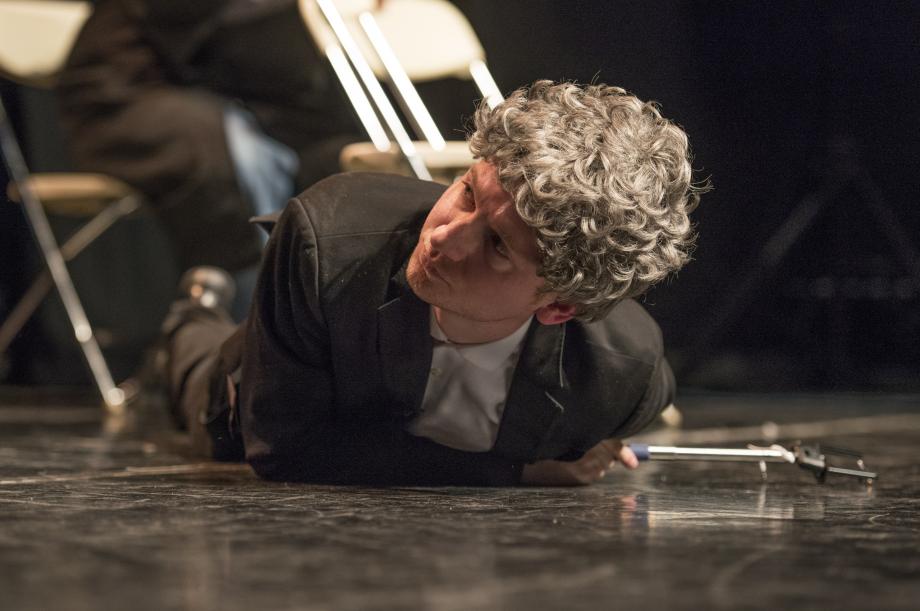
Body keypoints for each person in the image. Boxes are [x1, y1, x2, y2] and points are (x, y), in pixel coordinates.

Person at [165, 81, 704, 486]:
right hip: (248, 389)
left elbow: (626, 404)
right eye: (468, 192)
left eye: (496, 246)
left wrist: (584, 437)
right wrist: (521, 472)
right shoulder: (326, 242)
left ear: (560, 307)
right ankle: (193, 309)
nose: (445, 237)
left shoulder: (622, 374)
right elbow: (286, 450)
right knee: (194, 369)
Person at [56, 0, 361, 307]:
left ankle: (332, 309)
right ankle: (250, 318)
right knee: (234, 151)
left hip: (228, 100)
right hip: (119, 101)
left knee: (333, 151)